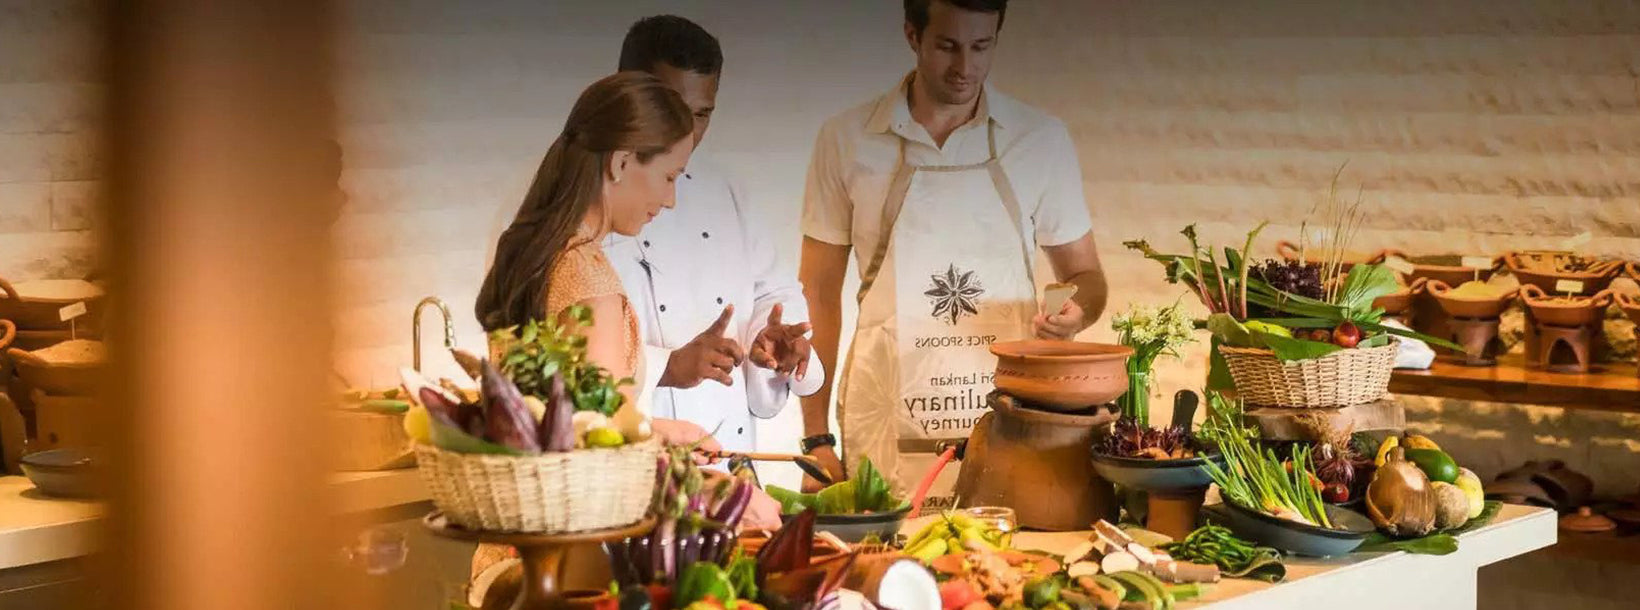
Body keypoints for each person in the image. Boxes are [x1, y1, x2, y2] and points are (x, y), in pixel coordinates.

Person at [470, 72, 779, 592]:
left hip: (517, 553)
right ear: (620, 163)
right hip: (571, 566)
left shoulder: (544, 252)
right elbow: (601, 457)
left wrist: (661, 430)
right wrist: (725, 498)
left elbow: (568, 424)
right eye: (669, 176)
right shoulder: (588, 278)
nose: (671, 199)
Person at [796, 0, 1110, 502]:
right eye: (947, 46)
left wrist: (1076, 314)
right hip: (885, 421)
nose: (965, 67)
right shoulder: (847, 139)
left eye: (981, 46)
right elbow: (817, 294)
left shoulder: (1040, 140)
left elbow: (1086, 276)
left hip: (1011, 417)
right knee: (888, 548)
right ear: (912, 35)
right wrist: (816, 440)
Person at [603, 15, 824, 461]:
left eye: (702, 114)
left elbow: (773, 290)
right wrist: (668, 365)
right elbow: (555, 365)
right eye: (671, 109)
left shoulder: (726, 188)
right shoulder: (575, 200)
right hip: (625, 461)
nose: (686, 132)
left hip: (726, 457)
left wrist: (770, 337)